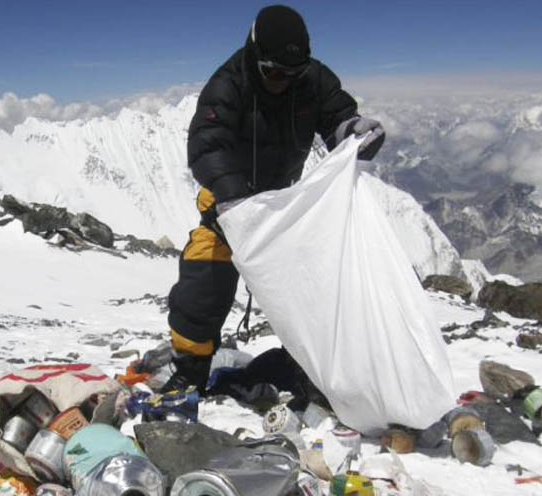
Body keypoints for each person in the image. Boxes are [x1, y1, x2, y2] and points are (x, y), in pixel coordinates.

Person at [162, 5, 385, 393]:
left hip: (284, 207)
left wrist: (353, 132)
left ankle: (310, 368)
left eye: (292, 73)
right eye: (274, 72)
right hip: (228, 208)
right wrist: (233, 201)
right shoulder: (228, 84)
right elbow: (206, 146)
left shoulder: (312, 79)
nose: (282, 81)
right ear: (254, 54)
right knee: (204, 280)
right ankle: (190, 370)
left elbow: (337, 117)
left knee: (314, 285)